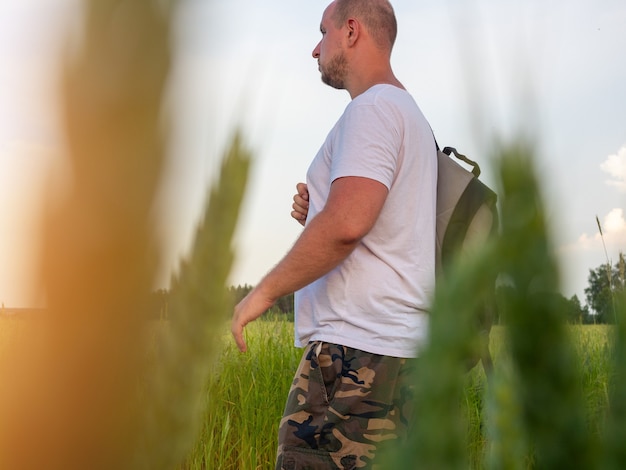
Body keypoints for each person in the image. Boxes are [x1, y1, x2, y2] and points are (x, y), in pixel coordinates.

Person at [231, 0, 437, 468]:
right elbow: (378, 224)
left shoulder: (373, 110)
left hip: (353, 360)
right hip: (399, 355)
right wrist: (319, 212)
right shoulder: (409, 114)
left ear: (350, 31)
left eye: (321, 31)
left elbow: (347, 225)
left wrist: (260, 294)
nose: (314, 49)